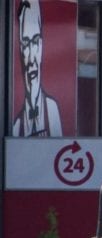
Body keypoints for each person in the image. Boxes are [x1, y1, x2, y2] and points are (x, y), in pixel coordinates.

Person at [12, 0, 63, 137]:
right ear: (20, 50)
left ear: (41, 46)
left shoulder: (52, 110)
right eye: (26, 44)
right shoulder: (16, 126)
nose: (31, 59)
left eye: (35, 42)